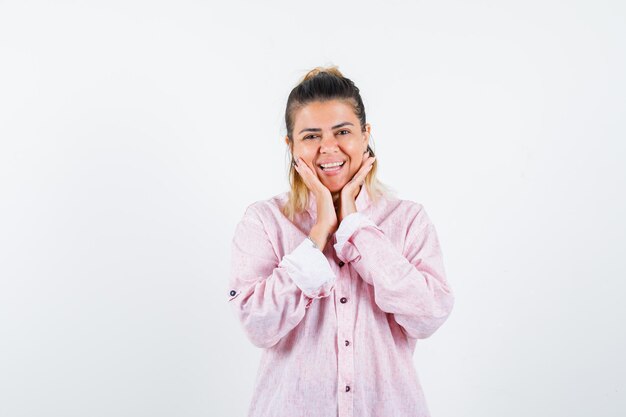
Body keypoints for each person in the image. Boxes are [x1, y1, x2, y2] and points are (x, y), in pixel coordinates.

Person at [228, 65, 455, 417]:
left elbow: (428, 316)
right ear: (291, 146)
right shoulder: (263, 221)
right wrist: (319, 233)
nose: (328, 148)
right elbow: (259, 324)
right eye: (311, 136)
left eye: (342, 131)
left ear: (365, 136)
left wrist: (355, 228)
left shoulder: (408, 220)